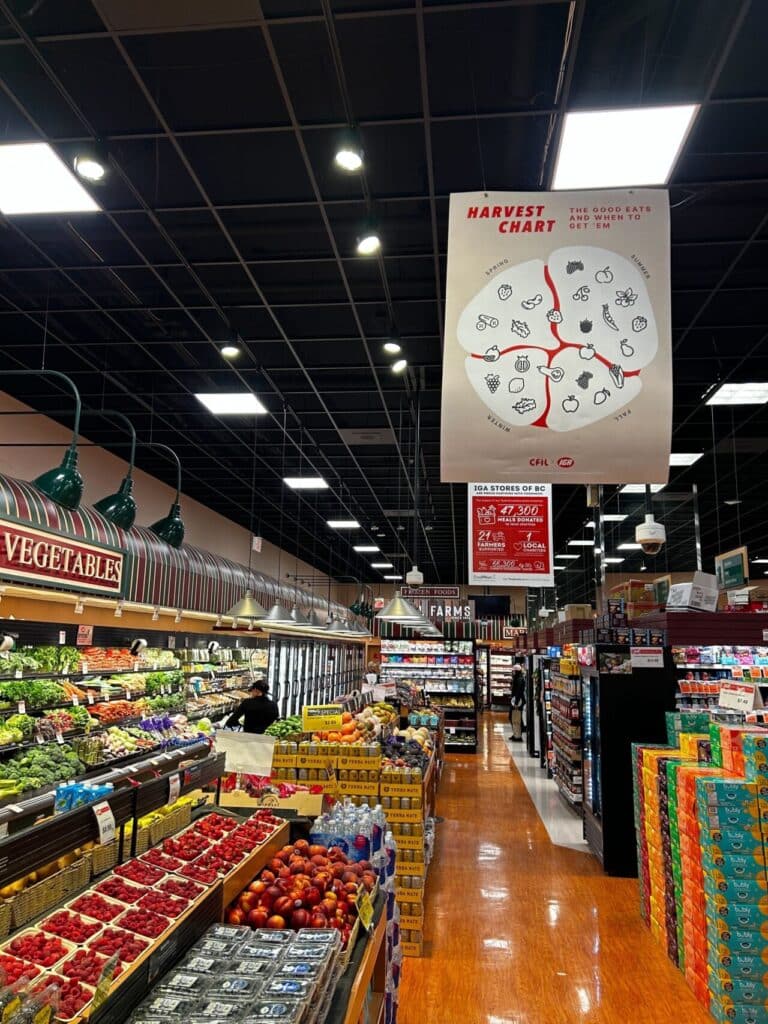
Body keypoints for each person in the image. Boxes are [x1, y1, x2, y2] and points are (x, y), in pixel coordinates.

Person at [508, 662, 526, 742]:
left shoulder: (519, 679)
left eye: (513, 671)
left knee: (516, 718)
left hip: (517, 702)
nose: (513, 672)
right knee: (514, 718)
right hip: (516, 701)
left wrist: (516, 703)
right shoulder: (517, 678)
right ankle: (516, 733)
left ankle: (518, 735)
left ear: (516, 671)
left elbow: (518, 692)